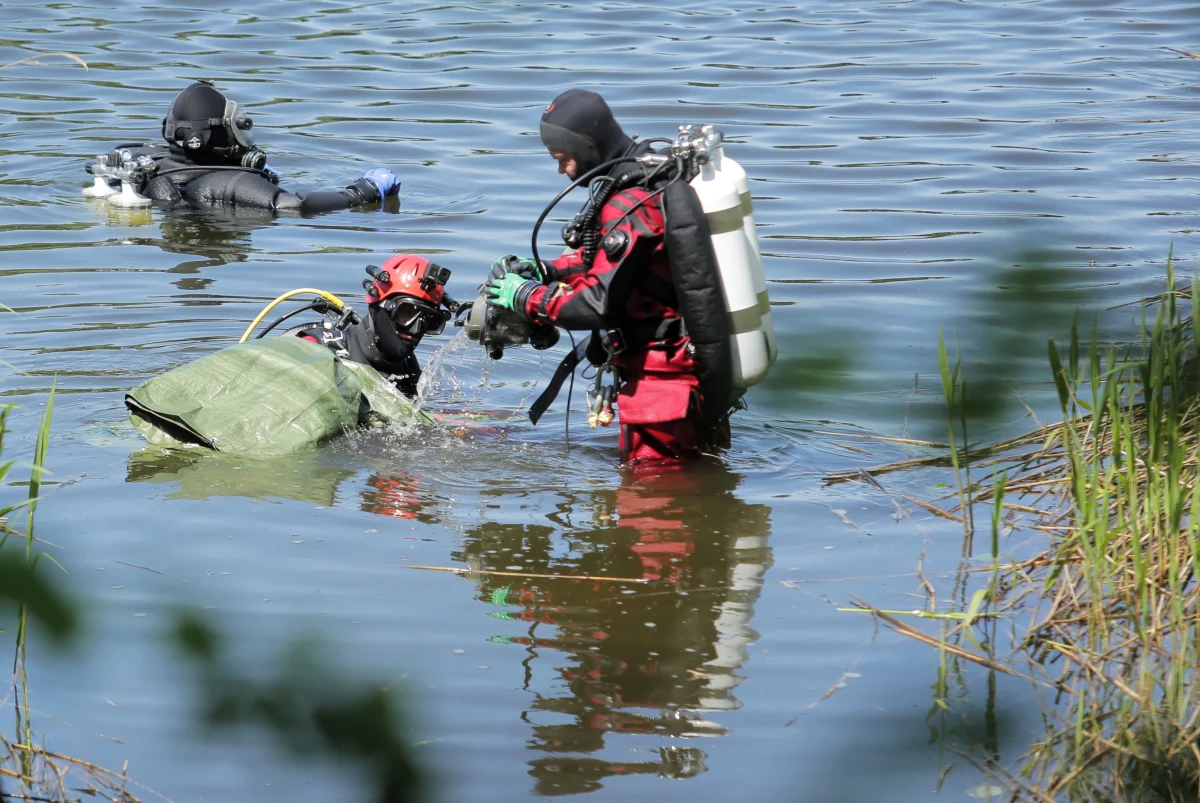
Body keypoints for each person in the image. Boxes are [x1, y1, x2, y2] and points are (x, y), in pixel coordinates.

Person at [484, 88, 729, 467]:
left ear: (586, 148)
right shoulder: (647, 177)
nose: (561, 170)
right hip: (678, 376)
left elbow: (597, 304)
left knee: (653, 507)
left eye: (563, 159)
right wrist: (547, 270)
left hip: (663, 386)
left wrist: (528, 297)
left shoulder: (627, 201)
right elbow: (621, 263)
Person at [85, 80, 399, 214]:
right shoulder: (231, 182)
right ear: (222, 134)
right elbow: (295, 206)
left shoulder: (149, 158)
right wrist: (362, 192)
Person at [290, 254, 453, 398]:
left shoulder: (409, 372)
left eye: (429, 321)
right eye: (406, 313)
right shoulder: (320, 349)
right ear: (378, 305)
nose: (416, 329)